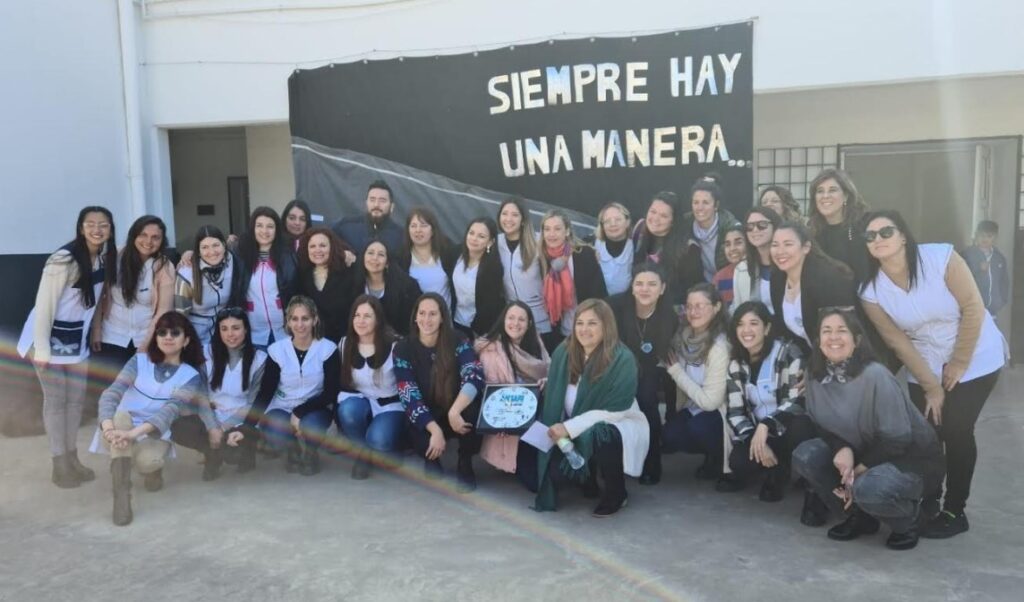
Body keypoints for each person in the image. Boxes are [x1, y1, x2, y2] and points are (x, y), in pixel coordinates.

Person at [858, 210, 1006, 538]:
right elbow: (898, 342)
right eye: (870, 236)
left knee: (955, 428)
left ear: (903, 236)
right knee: (926, 434)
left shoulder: (940, 257)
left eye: (885, 232)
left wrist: (958, 362)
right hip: (925, 360)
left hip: (976, 353)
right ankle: (928, 501)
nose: (878, 239)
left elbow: (972, 307)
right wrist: (931, 385)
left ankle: (956, 509)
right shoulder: (871, 292)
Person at [792, 308, 944, 551]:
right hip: (861, 451)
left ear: (857, 340)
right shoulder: (814, 375)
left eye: (842, 331)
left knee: (868, 488)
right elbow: (821, 424)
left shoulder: (875, 375)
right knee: (806, 455)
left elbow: (898, 439)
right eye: (826, 331)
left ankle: (909, 519)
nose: (833, 337)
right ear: (818, 341)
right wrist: (841, 448)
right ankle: (859, 516)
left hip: (909, 460)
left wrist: (857, 472)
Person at [18, 206, 117, 488]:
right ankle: (59, 463)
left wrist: (96, 330)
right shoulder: (63, 259)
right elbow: (44, 304)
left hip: (78, 343)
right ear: (80, 227)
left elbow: (97, 301)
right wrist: (42, 350)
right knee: (56, 403)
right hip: (48, 341)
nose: (97, 230)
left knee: (75, 402)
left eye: (104, 225)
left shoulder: (103, 259)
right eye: (91, 224)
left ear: (111, 229)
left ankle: (72, 458)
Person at [533, 298, 649, 517]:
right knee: (548, 479)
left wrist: (568, 427)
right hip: (570, 426)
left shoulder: (622, 359)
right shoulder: (564, 352)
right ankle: (587, 477)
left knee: (602, 435)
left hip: (618, 422)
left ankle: (616, 492)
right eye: (580, 323)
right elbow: (560, 388)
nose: (584, 329)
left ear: (606, 325)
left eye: (592, 323)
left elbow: (616, 410)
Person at [92, 312, 207, 525]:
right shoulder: (139, 361)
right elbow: (112, 393)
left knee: (148, 462)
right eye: (162, 332)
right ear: (155, 337)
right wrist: (109, 429)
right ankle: (122, 497)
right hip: (118, 427)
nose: (168, 337)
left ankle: (151, 470)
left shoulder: (191, 376)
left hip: (154, 432)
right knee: (121, 417)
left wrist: (132, 435)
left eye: (175, 332)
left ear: (187, 340)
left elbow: (169, 412)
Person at [394, 293, 486, 492]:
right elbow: (408, 395)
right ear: (415, 317)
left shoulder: (458, 339)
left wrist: (455, 411)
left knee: (473, 413)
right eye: (422, 313)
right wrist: (435, 430)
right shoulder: (403, 348)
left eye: (433, 314)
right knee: (416, 427)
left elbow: (474, 375)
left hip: (455, 406)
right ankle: (431, 457)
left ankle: (465, 461)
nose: (427, 319)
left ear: (443, 317)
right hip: (428, 411)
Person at [724, 301, 814, 500]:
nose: (746, 330)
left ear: (767, 328)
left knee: (802, 426)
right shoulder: (735, 363)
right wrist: (754, 439)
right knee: (738, 462)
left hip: (786, 428)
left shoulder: (787, 353)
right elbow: (736, 412)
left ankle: (812, 488)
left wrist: (766, 425)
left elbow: (798, 402)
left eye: (754, 323)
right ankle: (776, 469)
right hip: (759, 434)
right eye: (740, 324)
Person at [245, 296, 339, 476]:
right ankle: (292, 449)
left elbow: (330, 393)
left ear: (315, 320)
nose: (300, 324)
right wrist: (246, 426)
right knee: (274, 429)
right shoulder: (277, 350)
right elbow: (265, 392)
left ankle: (310, 453)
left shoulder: (328, 349)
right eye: (294, 319)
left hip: (315, 407)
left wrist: (299, 412)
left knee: (311, 425)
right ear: (287, 322)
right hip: (283, 406)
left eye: (305, 318)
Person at [170, 307, 267, 480]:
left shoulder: (259, 359)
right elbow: (202, 396)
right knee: (179, 427)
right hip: (211, 414)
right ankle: (211, 454)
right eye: (224, 329)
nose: (230, 334)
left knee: (233, 454)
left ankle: (245, 451)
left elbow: (253, 403)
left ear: (246, 329)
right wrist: (212, 426)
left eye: (236, 328)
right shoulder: (206, 353)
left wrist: (223, 428)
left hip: (241, 420)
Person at [608, 263, 679, 484]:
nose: (644, 289)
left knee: (647, 401)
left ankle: (651, 462)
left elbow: (657, 352)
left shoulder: (668, 316)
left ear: (663, 288)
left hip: (647, 366)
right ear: (632, 287)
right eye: (639, 283)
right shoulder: (615, 306)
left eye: (651, 284)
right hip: (613, 365)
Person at [660, 283, 733, 487]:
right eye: (690, 306)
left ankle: (719, 457)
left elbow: (711, 402)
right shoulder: (683, 337)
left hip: (720, 411)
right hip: (694, 407)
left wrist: (676, 372)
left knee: (698, 428)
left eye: (700, 305)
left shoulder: (719, 346)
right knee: (669, 435)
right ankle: (710, 452)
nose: (693, 311)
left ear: (717, 307)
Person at [90, 216, 175, 385]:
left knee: (142, 390)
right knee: (110, 389)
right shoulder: (114, 257)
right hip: (112, 335)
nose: (148, 241)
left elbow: (163, 311)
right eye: (143, 235)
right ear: (133, 235)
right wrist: (97, 330)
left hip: (146, 336)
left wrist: (147, 343)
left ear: (162, 240)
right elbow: (100, 296)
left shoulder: (164, 266)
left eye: (155, 237)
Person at [474, 301, 550, 486]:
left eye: (521, 319)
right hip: (511, 421)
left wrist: (546, 382)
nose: (516, 324)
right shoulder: (492, 350)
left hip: (537, 414)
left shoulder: (536, 343)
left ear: (529, 323)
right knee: (535, 484)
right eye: (511, 318)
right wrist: (501, 423)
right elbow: (492, 393)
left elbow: (551, 371)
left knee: (551, 474)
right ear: (503, 320)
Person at [335, 295, 405, 480]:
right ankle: (363, 453)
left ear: (378, 319)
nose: (361, 321)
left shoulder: (395, 346)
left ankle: (391, 447)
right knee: (347, 410)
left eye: (367, 316)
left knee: (380, 441)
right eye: (357, 315)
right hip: (362, 402)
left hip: (390, 406)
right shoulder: (345, 344)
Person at [769, 221, 857, 352]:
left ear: (806, 247)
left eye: (788, 244)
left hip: (840, 355)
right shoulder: (777, 279)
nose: (780, 251)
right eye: (775, 245)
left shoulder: (828, 279)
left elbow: (842, 333)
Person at [539, 210, 607, 344]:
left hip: (587, 330)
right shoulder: (541, 258)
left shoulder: (584, 254)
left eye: (557, 229)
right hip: (558, 332)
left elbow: (599, 293)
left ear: (567, 231)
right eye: (547, 229)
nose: (551, 234)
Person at [236, 207, 299, 349]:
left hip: (286, 332)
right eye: (259, 226)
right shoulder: (240, 255)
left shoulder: (289, 255)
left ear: (277, 230)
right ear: (252, 228)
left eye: (270, 226)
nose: (264, 231)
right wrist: (189, 255)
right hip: (254, 333)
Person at [496, 198, 554, 348]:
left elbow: (567, 246)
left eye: (515, 215)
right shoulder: (495, 242)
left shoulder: (538, 241)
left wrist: (591, 251)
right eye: (505, 214)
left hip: (540, 321)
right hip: (513, 323)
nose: (509, 219)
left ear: (523, 219)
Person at [174, 225, 245, 346]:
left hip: (226, 333)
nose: (212, 252)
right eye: (205, 247)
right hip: (196, 335)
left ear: (224, 245)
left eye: (216, 245)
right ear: (198, 251)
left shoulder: (234, 262)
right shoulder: (187, 272)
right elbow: (180, 316)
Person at [631, 191, 702, 308]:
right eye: (653, 212)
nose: (655, 219)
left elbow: (693, 291)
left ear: (673, 221)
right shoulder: (639, 231)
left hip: (672, 309)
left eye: (663, 216)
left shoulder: (688, 249)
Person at [444, 217, 505, 338]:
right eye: (471, 233)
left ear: (490, 242)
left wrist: (477, 331)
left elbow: (490, 305)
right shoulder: (454, 254)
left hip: (479, 329)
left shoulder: (493, 268)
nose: (474, 239)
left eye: (481, 236)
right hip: (453, 322)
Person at [807, 168, 870, 280]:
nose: (825, 196)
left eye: (832, 190)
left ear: (845, 195)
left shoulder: (863, 227)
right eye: (820, 191)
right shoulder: (811, 232)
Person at [352, 240, 421, 337]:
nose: (374, 258)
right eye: (370, 253)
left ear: (387, 263)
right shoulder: (351, 285)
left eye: (381, 255)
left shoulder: (406, 287)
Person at [296, 227, 353, 343]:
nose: (317, 250)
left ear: (332, 247)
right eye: (312, 246)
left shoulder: (347, 272)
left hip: (341, 341)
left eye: (322, 245)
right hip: (312, 342)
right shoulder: (302, 275)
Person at [683, 180, 742, 283]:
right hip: (701, 283)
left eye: (705, 202)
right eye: (696, 202)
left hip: (731, 280)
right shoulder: (684, 224)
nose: (700, 208)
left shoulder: (731, 227)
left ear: (716, 205)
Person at [398, 207, 453, 309]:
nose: (418, 230)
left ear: (433, 230)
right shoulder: (401, 257)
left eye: (423, 226)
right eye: (413, 226)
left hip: (444, 319)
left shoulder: (447, 252)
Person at [331, 179, 404, 254]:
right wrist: (342, 254)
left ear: (392, 207)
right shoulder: (345, 226)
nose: (376, 205)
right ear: (366, 203)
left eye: (382, 201)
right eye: (372, 200)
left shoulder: (401, 236)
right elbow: (324, 243)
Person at [731, 206, 782, 312]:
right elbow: (738, 307)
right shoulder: (741, 269)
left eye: (762, 225)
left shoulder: (788, 263)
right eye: (749, 226)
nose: (755, 230)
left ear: (775, 227)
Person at [962, 220, 1009, 317]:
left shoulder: (999, 258)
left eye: (989, 236)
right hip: (971, 311)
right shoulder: (967, 254)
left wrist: (1001, 300)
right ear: (976, 235)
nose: (985, 239)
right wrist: (977, 268)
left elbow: (1004, 281)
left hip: (992, 312)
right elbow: (959, 277)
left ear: (995, 238)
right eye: (982, 235)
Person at [593, 202, 635, 296]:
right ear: (602, 226)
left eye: (618, 219)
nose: (613, 224)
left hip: (624, 303)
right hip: (598, 301)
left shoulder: (636, 247)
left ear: (627, 222)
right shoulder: (592, 244)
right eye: (607, 221)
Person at [711, 223, 748, 305]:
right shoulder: (719, 277)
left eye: (738, 243)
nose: (732, 249)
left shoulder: (758, 272)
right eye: (727, 244)